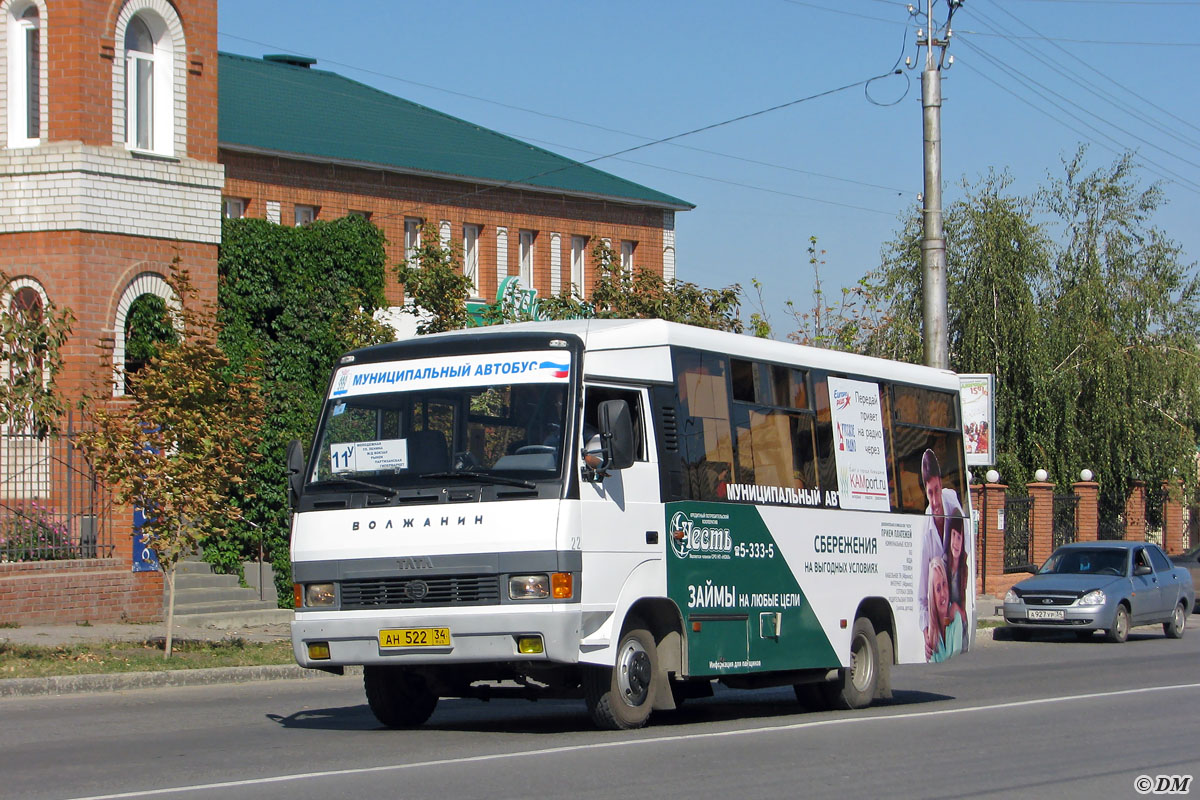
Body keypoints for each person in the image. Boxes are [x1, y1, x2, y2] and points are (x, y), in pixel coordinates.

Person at [917, 448, 964, 632]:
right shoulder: (926, 533)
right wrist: (927, 630)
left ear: (941, 485)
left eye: (937, 490)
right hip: (939, 604)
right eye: (930, 493)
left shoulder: (952, 501)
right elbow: (922, 594)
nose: (935, 500)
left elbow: (964, 543)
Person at [926, 557, 965, 662]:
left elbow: (956, 660)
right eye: (938, 589)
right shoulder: (932, 628)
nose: (943, 593)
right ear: (933, 595)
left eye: (944, 584)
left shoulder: (955, 618)